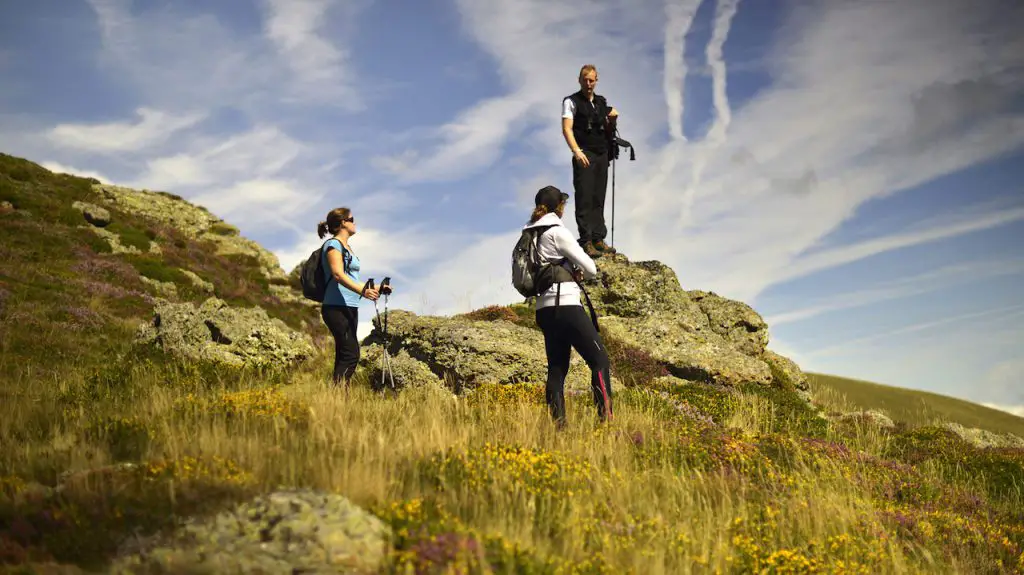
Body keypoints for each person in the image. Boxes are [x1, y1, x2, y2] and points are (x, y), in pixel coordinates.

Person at [524, 185, 613, 428]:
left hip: (544, 309)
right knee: (599, 361)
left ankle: (559, 428)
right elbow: (591, 269)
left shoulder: (532, 234)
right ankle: (606, 422)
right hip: (566, 306)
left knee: (556, 369)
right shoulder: (557, 232)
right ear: (559, 207)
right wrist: (578, 271)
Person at [316, 207, 383, 387]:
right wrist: (363, 291)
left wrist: (378, 288)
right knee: (351, 354)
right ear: (343, 223)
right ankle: (337, 396)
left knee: (343, 355)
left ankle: (337, 401)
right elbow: (338, 275)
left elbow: (353, 280)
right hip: (335, 307)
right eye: (352, 219)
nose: (355, 223)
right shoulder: (333, 245)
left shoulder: (347, 248)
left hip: (350, 307)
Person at [561, 63, 619, 259]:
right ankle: (586, 240)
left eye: (591, 80)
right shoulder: (571, 101)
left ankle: (598, 239)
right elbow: (567, 128)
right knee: (584, 196)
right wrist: (576, 151)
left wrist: (613, 117)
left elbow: (609, 122)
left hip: (602, 153)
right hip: (584, 153)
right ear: (579, 80)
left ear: (596, 81)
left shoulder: (601, 102)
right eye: (585, 80)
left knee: (598, 197)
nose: (588, 84)